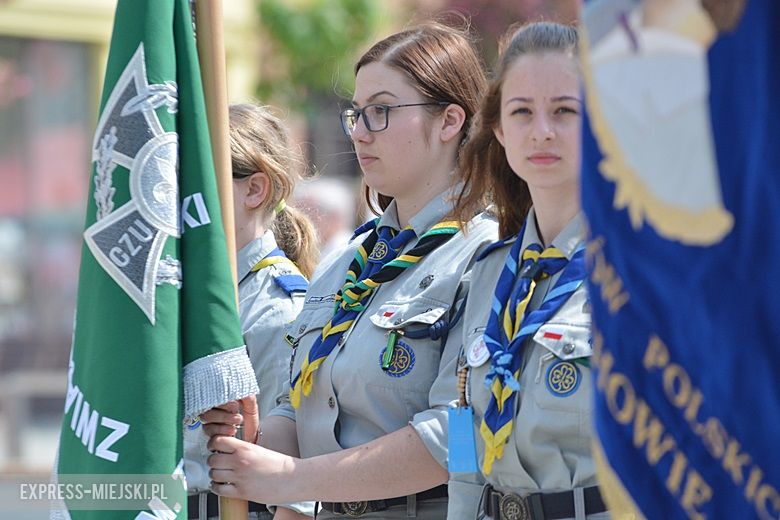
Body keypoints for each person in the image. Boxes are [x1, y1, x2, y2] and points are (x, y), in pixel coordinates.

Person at [202, 22, 498, 519]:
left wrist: (291, 478)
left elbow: (460, 438)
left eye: (380, 111)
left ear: (450, 121)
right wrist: (249, 441)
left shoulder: (485, 256)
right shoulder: (348, 264)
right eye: (355, 114)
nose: (359, 132)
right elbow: (293, 410)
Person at [448, 22, 609, 520]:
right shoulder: (487, 276)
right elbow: (461, 437)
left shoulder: (644, 277)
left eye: (565, 110)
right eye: (522, 112)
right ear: (499, 130)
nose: (542, 130)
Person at [185, 103, 319, 520]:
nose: (181, 199)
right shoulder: (194, 292)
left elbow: (294, 480)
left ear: (254, 190)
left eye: (197, 181)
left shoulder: (278, 308)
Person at [293, 176, 358, 262]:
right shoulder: (326, 249)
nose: (304, 218)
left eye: (310, 212)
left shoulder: (343, 249)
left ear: (334, 216)